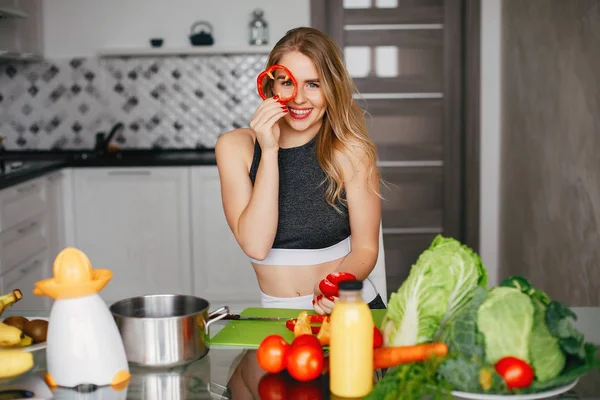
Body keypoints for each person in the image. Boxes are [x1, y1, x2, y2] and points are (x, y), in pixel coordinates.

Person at [215, 26, 385, 315]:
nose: (298, 98)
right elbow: (256, 246)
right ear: (271, 86)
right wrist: (269, 151)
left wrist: (338, 286)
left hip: (346, 308)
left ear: (331, 89)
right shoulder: (234, 148)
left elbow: (366, 249)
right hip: (276, 315)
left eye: (313, 84)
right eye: (287, 82)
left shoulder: (351, 151)